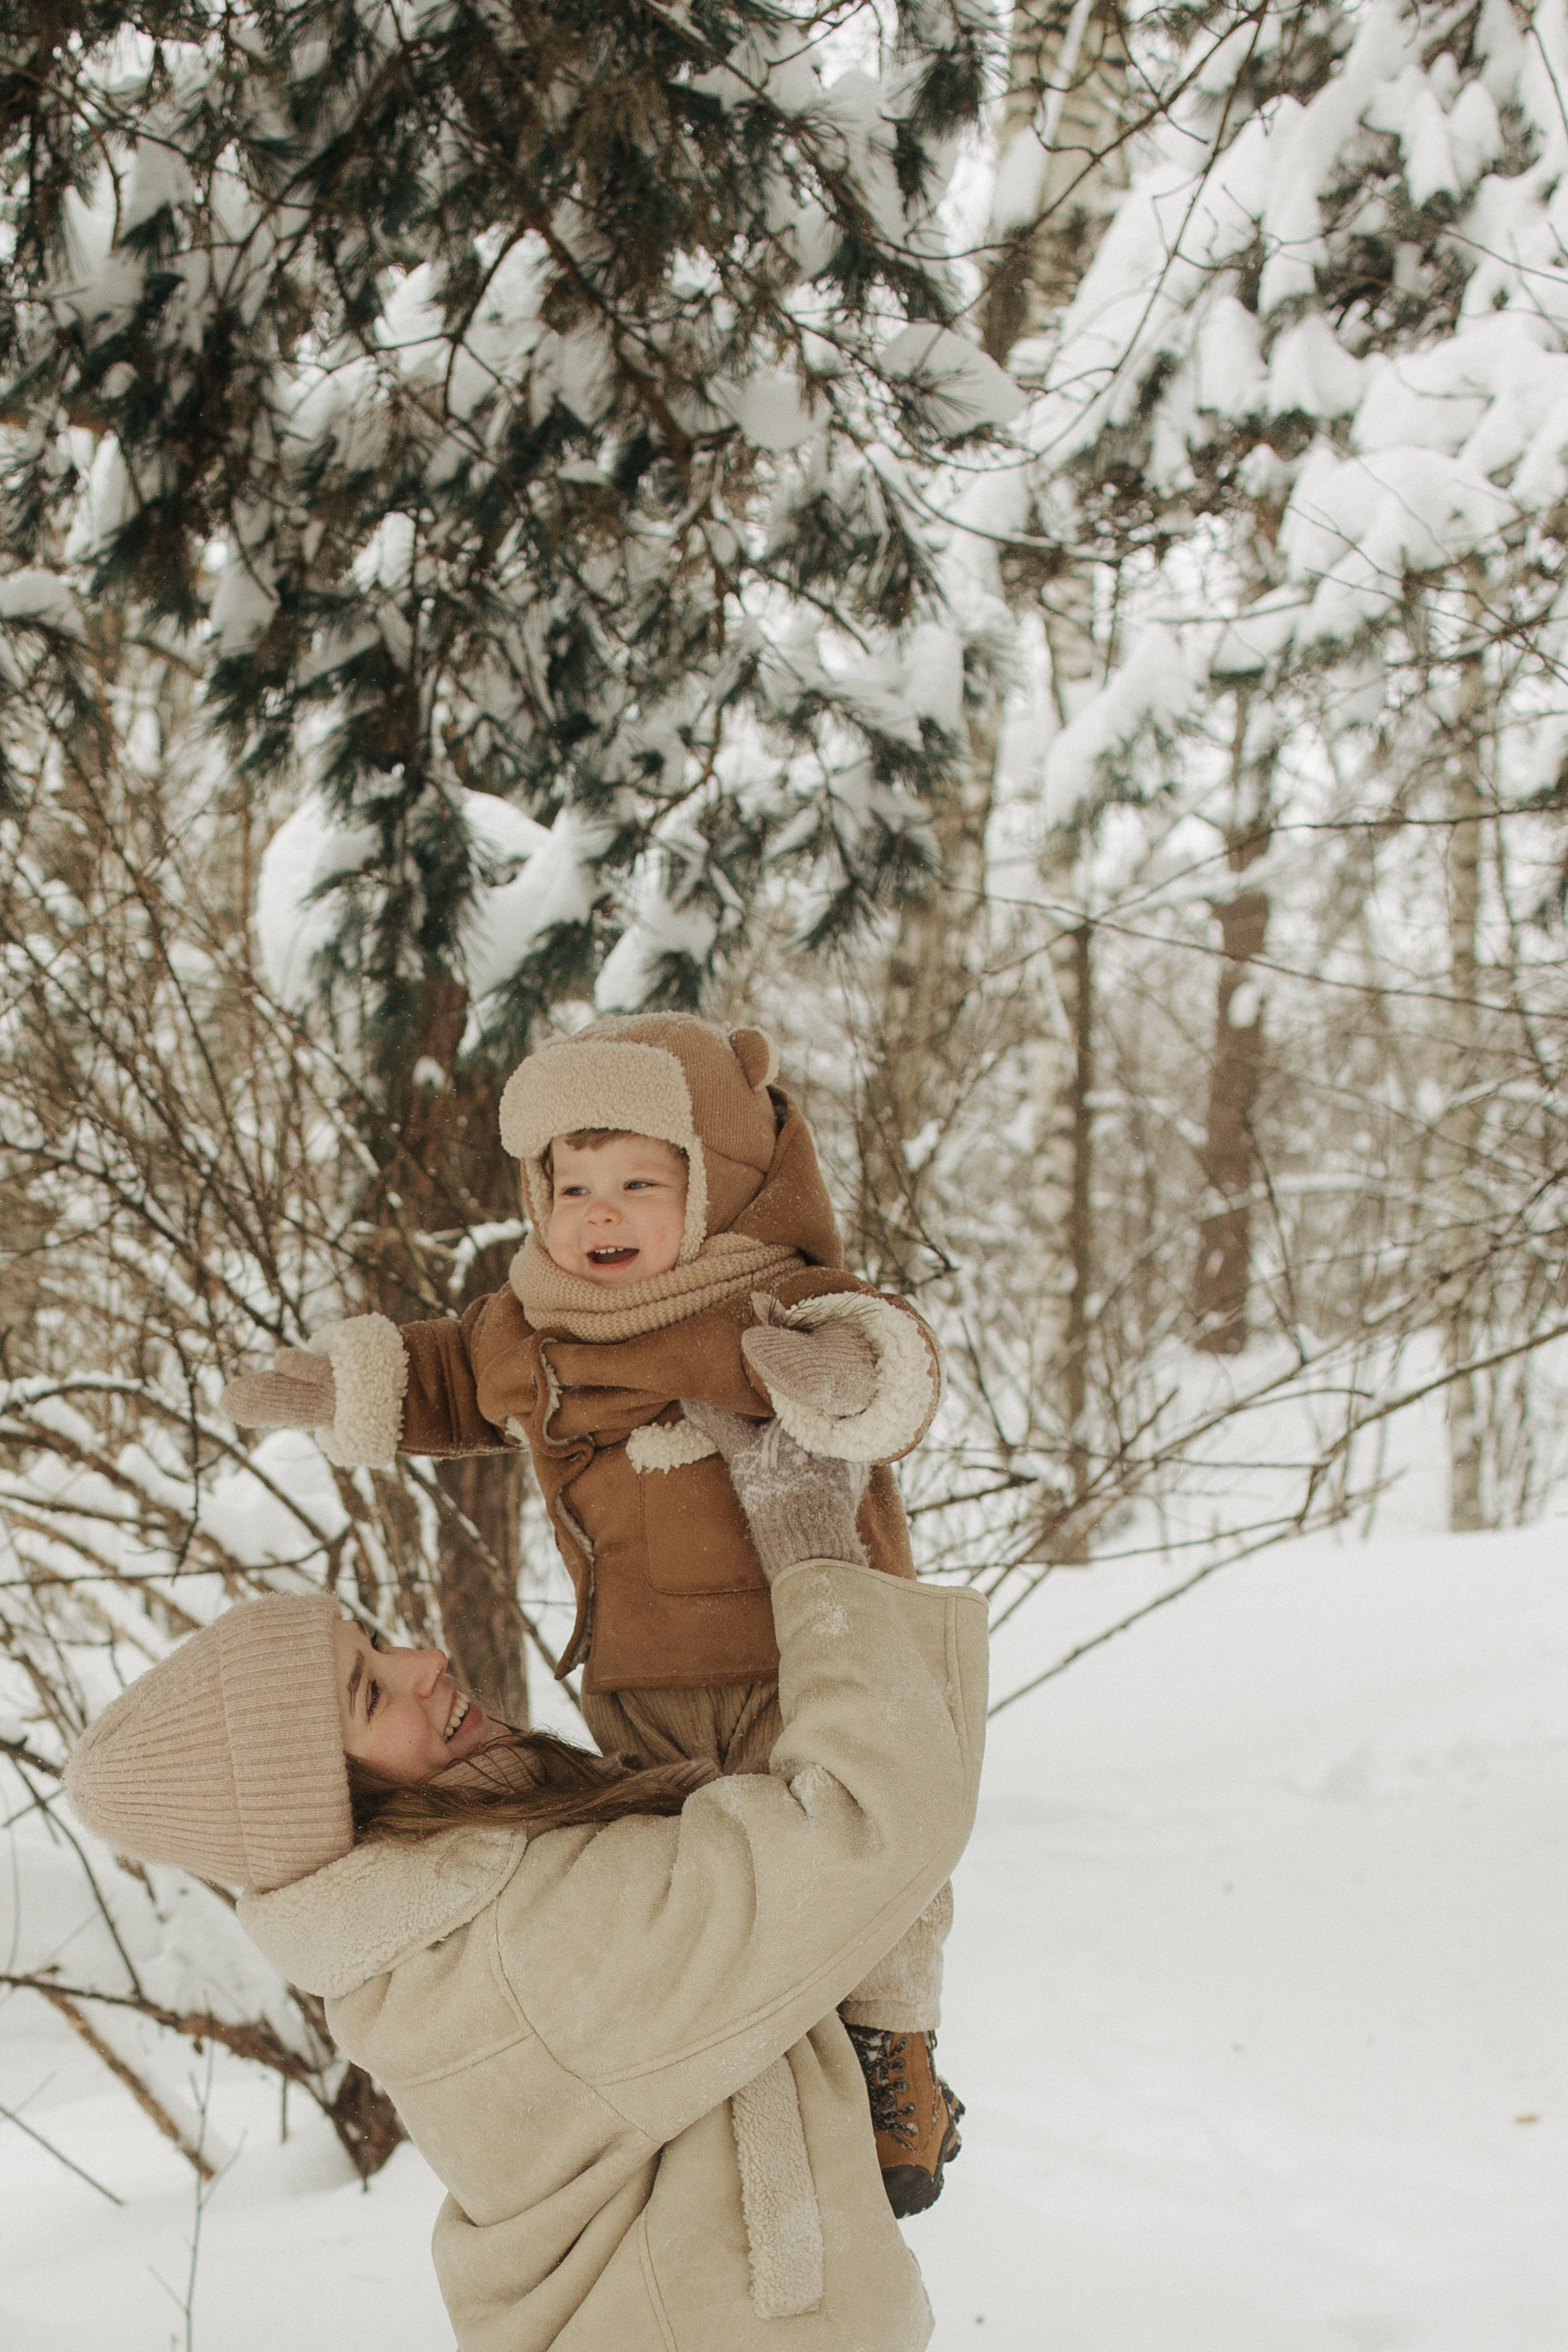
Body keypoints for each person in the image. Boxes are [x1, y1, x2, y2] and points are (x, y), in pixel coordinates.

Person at [221, 1011, 962, 2211]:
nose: (598, 1215)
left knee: (864, 1850)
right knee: (718, 1883)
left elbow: (889, 1353)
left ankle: (892, 2049)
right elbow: (454, 1376)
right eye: (572, 1186)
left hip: (805, 1651)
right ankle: (758, 2061)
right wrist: (348, 1384)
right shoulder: (537, 1327)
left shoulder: (764, 1294)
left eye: (638, 1182)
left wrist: (843, 1380)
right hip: (643, 1674)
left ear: (713, 1184)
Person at [65, 1410, 988, 2352]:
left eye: (376, 1644)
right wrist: (814, 1547)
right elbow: (866, 1817)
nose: (425, 1663)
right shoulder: (524, 1943)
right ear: (327, 1807)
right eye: (371, 1694)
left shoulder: (437, 1936)